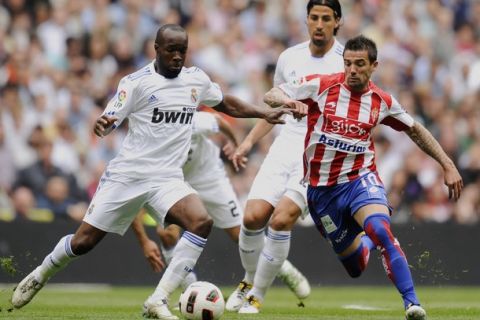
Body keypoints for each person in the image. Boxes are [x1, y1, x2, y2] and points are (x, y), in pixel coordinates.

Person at [11, 24, 305, 320]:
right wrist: (104, 123)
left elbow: (225, 102)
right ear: (157, 49)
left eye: (182, 50)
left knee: (200, 222)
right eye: (171, 50)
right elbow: (113, 114)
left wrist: (263, 112)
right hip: (128, 176)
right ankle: (41, 273)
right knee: (83, 242)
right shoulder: (136, 82)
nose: (178, 56)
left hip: (167, 178)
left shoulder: (196, 79)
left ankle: (158, 299)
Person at [263, 34, 464, 320]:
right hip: (322, 193)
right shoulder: (321, 86)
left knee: (381, 229)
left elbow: (415, 129)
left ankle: (412, 304)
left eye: (359, 64)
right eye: (348, 64)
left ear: (374, 66)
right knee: (355, 266)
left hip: (360, 180)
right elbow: (270, 95)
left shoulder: (382, 101)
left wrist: (447, 163)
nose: (352, 70)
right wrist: (287, 101)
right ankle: (367, 242)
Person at [227, 0, 345, 313]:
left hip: (318, 153)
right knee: (251, 218)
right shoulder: (289, 57)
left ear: (338, 22)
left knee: (281, 220)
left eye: (326, 18)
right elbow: (274, 103)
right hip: (285, 145)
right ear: (306, 20)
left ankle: (256, 297)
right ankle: (249, 280)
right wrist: (248, 142)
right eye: (314, 18)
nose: (319, 24)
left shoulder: (345, 62)